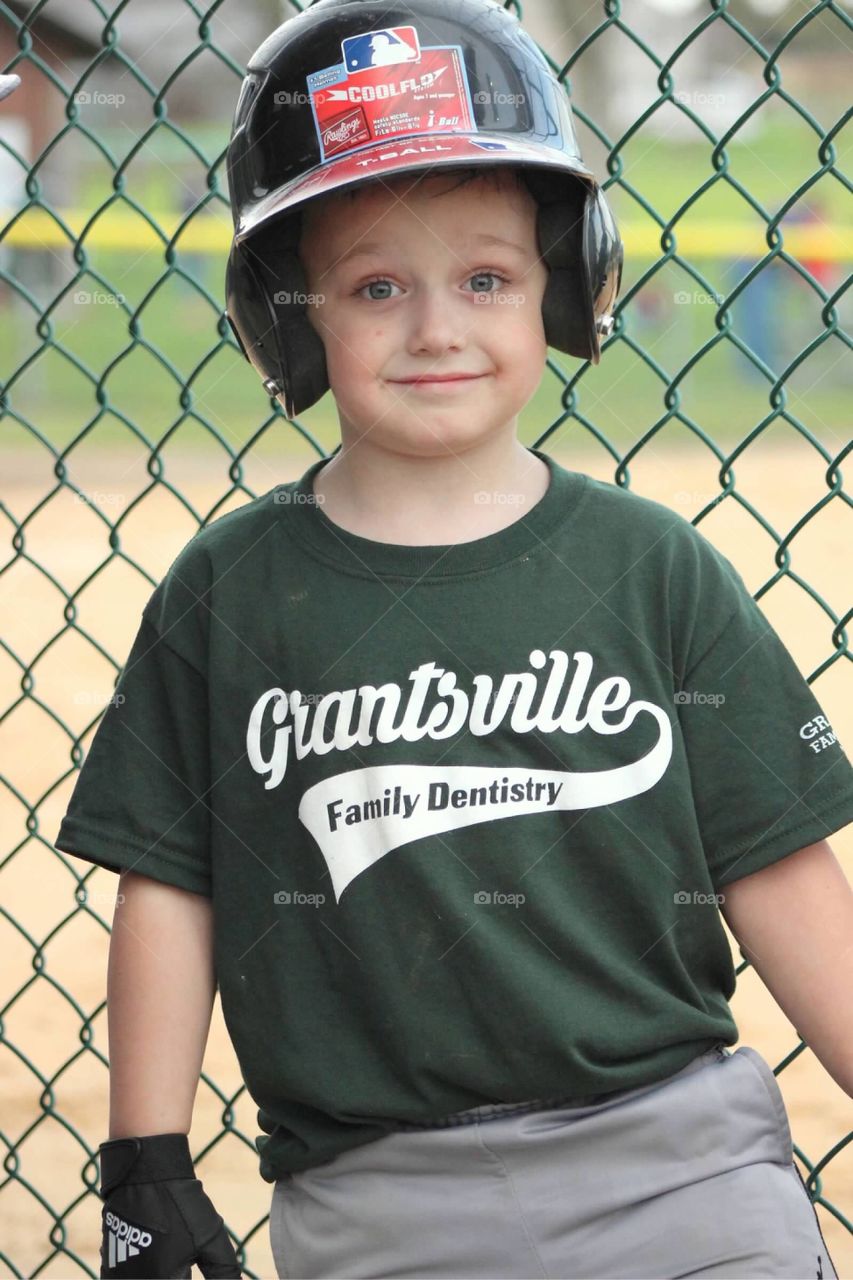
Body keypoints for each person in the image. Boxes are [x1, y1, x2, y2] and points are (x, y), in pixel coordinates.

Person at [54, 0, 853, 1276]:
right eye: (377, 285)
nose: (436, 327)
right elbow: (171, 883)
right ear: (290, 309)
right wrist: (142, 1159)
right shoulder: (233, 590)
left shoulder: (651, 568)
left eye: (485, 277)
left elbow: (775, 866)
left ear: (560, 283)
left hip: (684, 1170)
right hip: (377, 1200)